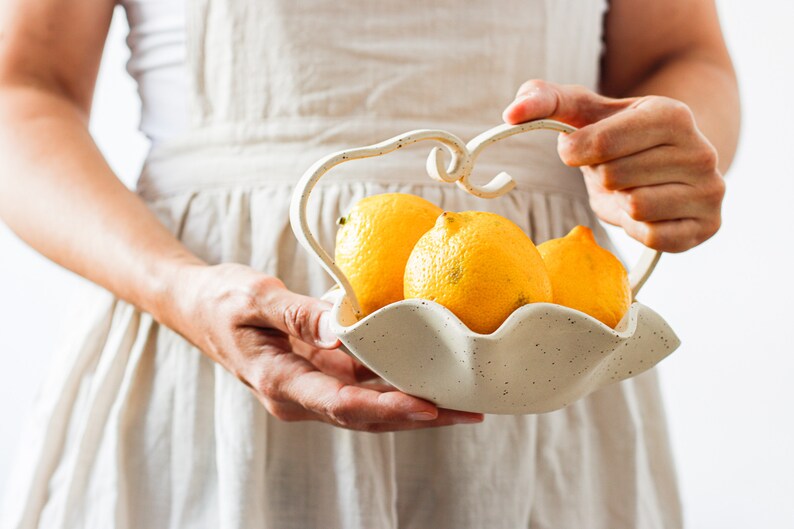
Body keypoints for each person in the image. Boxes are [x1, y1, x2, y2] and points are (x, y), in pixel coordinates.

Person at [0, 0, 738, 527]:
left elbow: (680, 51)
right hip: (201, 337)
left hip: (538, 341)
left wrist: (658, 156)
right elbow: (22, 87)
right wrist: (181, 291)